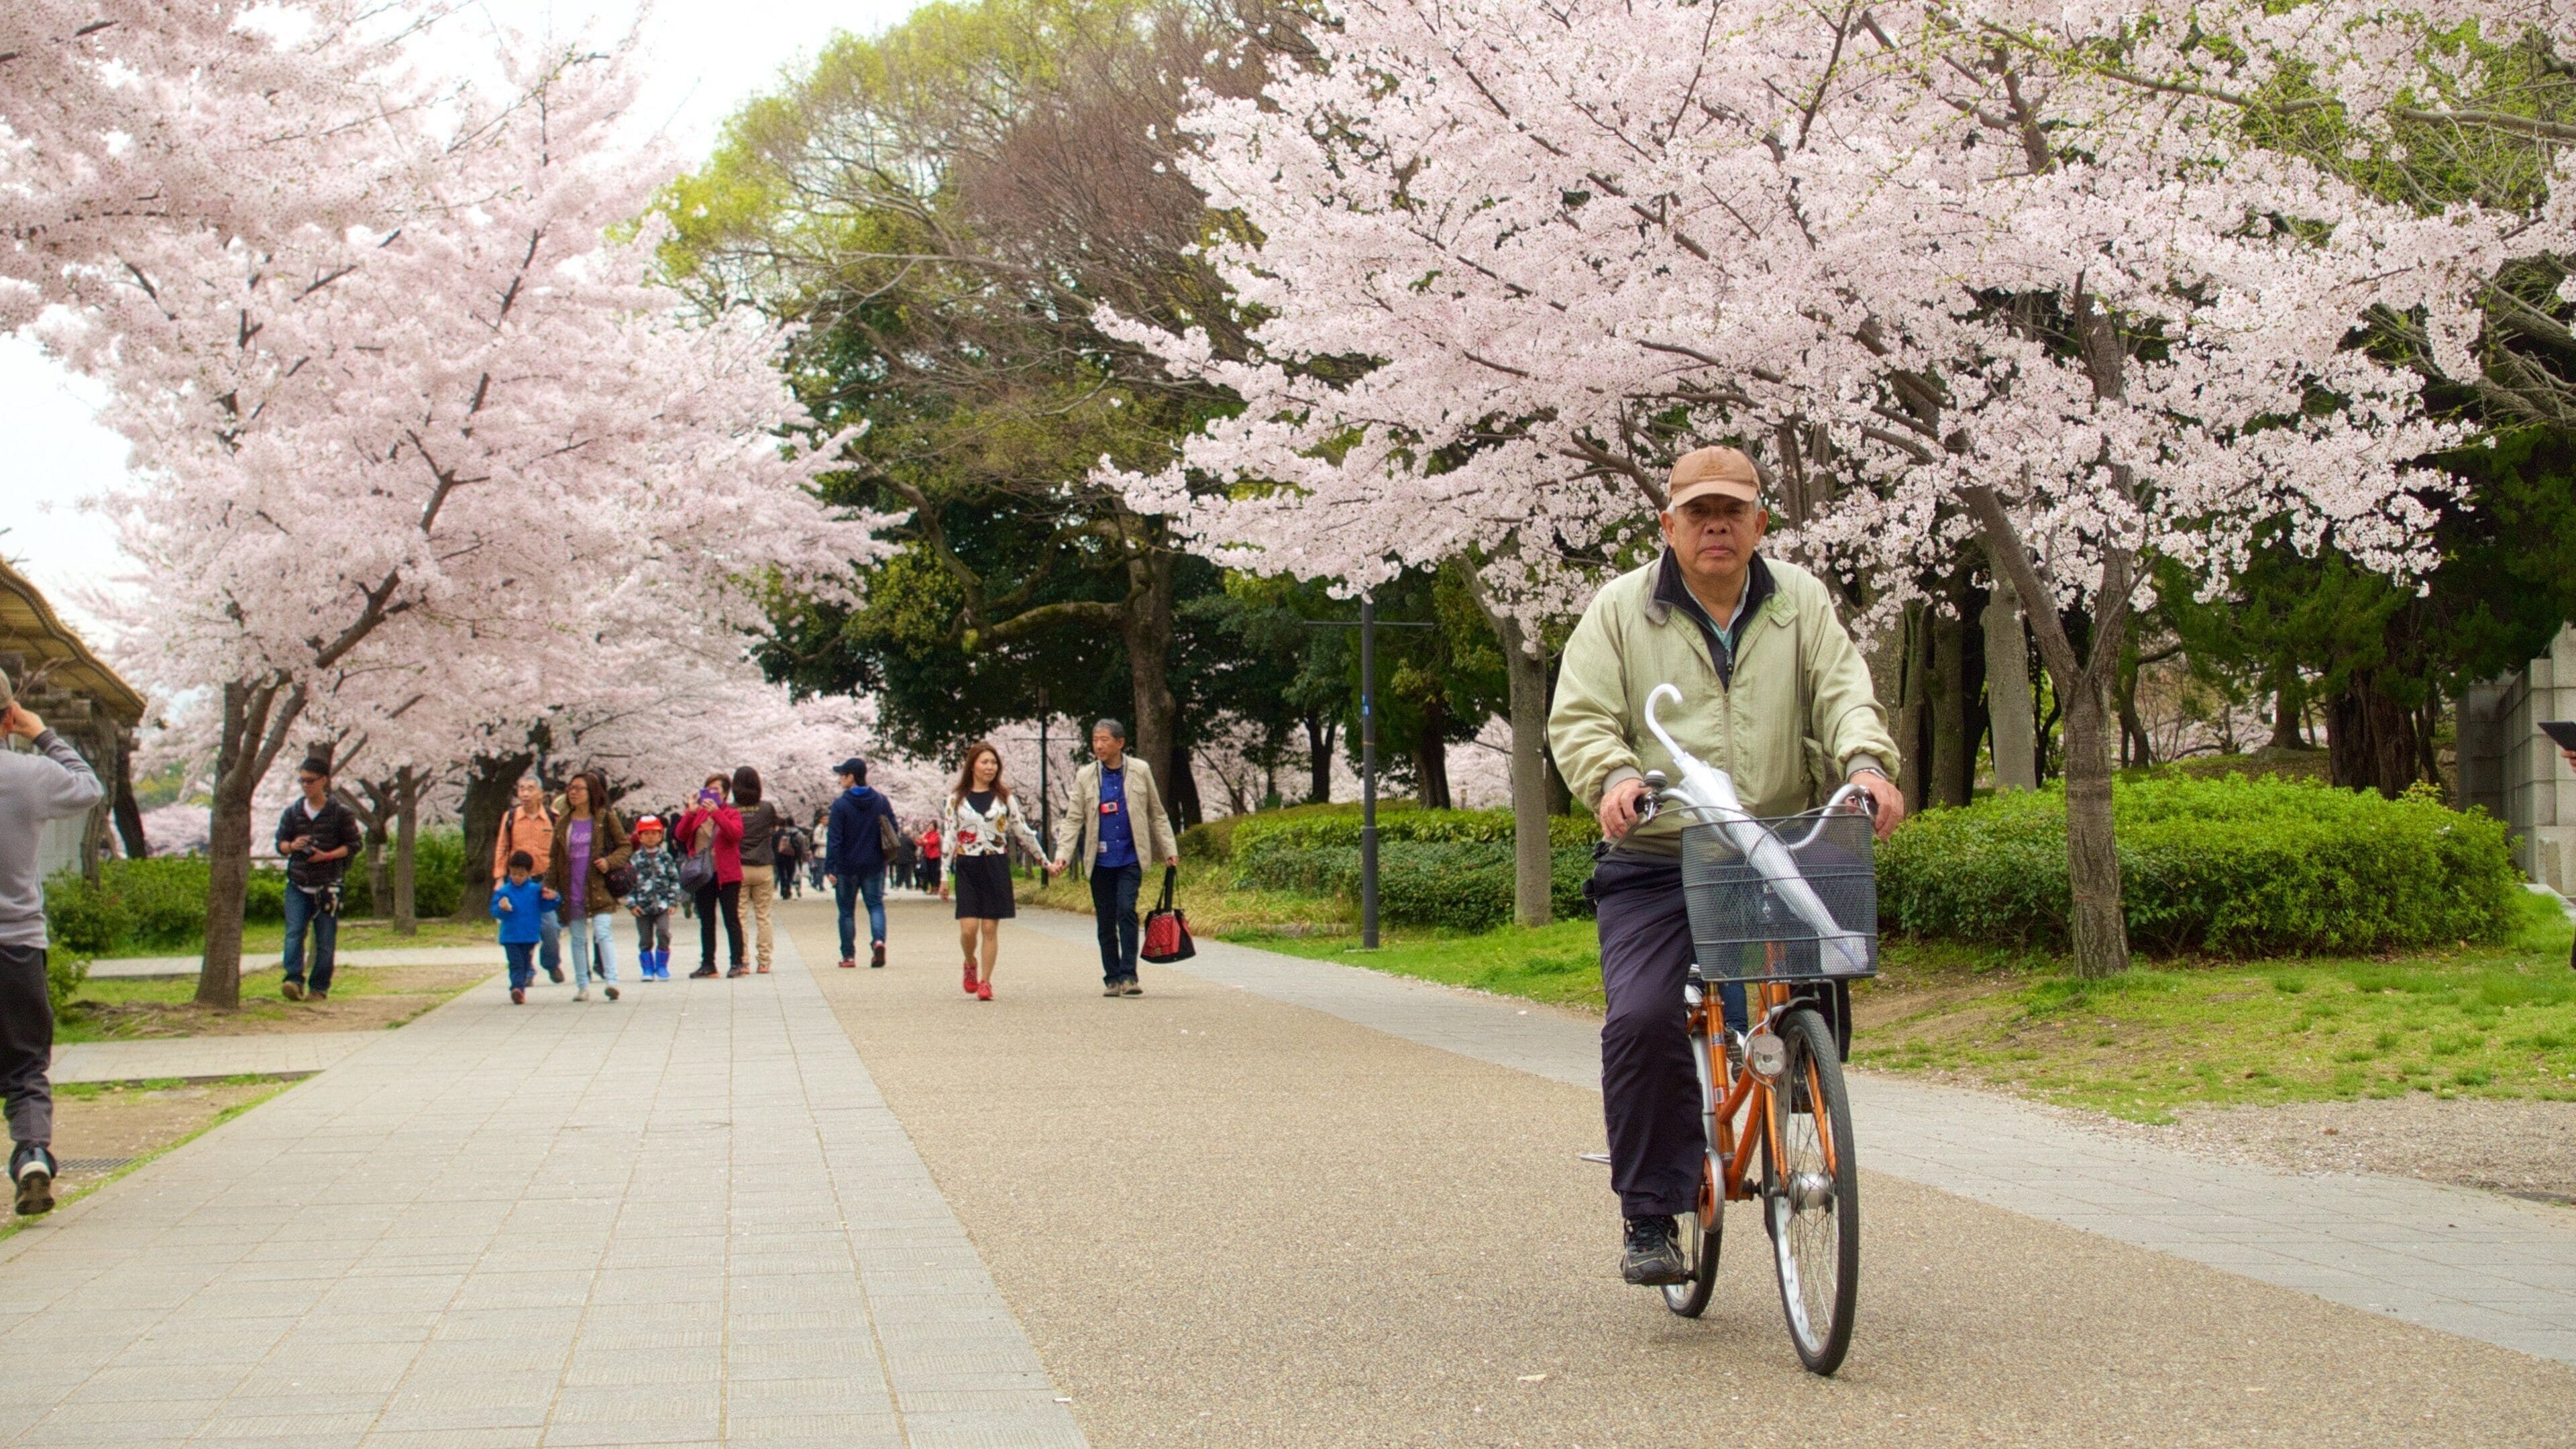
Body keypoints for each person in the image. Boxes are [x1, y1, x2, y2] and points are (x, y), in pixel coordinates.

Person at [1547, 445, 1903, 1287]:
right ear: (1667, 525)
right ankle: (1649, 1211)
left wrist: (1866, 764)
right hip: (1658, 853)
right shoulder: (1620, 611)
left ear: (1760, 525)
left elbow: (1844, 692)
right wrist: (1615, 778)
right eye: (1698, 513)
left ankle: (1796, 1105)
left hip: (1771, 851)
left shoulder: (1800, 604)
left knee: (1819, 987)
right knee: (1640, 1020)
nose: (1716, 526)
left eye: (1732, 512)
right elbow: (1583, 715)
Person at [0, 676, 105, 1216]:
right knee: (24, 1068)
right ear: (8, 717)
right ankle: (33, 1153)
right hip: (17, 945)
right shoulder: (31, 776)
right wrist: (43, 735)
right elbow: (89, 787)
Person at [1052, 718, 1179, 998]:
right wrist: (1062, 856)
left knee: (1126, 910)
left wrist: (1169, 849)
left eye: (1105, 739)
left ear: (1120, 743)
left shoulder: (1140, 770)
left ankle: (1129, 974)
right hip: (1099, 861)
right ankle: (1111, 977)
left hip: (1130, 857)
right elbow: (1073, 820)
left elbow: (1156, 813)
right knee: (1106, 919)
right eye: (1095, 739)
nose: (1099, 745)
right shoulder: (1085, 775)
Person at [941, 741, 1053, 1001]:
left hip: (995, 864)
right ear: (972, 766)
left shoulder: (1004, 798)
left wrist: (1044, 861)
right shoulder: (956, 799)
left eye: (994, 763)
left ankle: (986, 982)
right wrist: (944, 875)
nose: (990, 767)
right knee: (968, 929)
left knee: (990, 928)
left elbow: (1023, 830)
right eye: (985, 762)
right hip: (968, 865)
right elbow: (949, 836)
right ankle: (970, 962)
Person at [275, 752, 363, 1003]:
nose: (306, 785)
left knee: (325, 938)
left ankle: (319, 987)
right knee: (294, 932)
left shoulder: (340, 813)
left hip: (329, 883)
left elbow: (354, 844)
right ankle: (293, 980)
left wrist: (327, 856)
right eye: (302, 781)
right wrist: (293, 846)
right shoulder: (292, 813)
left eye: (311, 781)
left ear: (324, 780)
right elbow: (279, 845)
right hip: (298, 882)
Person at [545, 770, 629, 1002]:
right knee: (578, 937)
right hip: (572, 886)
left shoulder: (604, 819)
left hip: (598, 886)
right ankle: (582, 985)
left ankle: (612, 981)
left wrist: (609, 862)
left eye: (578, 788)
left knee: (603, 932)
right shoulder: (564, 823)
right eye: (570, 788)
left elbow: (625, 846)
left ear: (591, 792)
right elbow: (555, 858)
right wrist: (549, 886)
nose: (573, 792)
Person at [823, 757, 900, 969]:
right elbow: (893, 829)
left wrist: (830, 867)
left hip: (847, 866)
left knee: (846, 911)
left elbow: (835, 839)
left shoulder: (840, 805)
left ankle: (848, 956)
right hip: (874, 863)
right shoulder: (881, 801)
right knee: (875, 906)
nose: (840, 779)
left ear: (851, 777)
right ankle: (878, 941)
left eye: (842, 775)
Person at [492, 775, 563, 983]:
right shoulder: (511, 816)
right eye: (521, 789)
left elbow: (561, 850)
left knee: (550, 927)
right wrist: (499, 878)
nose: (525, 793)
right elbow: (502, 847)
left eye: (530, 789)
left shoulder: (553, 817)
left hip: (544, 882)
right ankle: (526, 971)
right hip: (518, 883)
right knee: (521, 926)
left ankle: (551, 963)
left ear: (541, 794)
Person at [676, 775, 745, 978]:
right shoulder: (698, 814)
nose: (711, 793)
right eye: (708, 789)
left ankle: (737, 962)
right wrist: (690, 813)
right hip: (702, 875)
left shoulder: (732, 814)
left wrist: (717, 814)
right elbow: (680, 835)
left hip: (727, 875)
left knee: (731, 919)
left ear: (725, 793)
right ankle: (708, 964)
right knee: (706, 920)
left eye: (716, 789)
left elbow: (735, 835)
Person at [733, 765, 782, 975]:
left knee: (740, 916)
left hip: (740, 867)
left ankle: (742, 961)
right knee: (763, 916)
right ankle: (764, 961)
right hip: (763, 866)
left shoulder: (731, 810)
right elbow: (774, 828)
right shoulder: (767, 808)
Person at [626, 814, 682, 981]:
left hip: (663, 905)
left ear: (660, 836)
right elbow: (629, 884)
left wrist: (673, 901)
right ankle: (648, 968)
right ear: (640, 837)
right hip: (642, 906)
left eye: (654, 833)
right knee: (645, 938)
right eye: (646, 833)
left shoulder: (666, 858)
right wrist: (631, 904)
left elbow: (674, 880)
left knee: (663, 932)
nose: (650, 837)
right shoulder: (635, 859)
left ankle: (662, 965)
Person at [490, 850, 549, 1005]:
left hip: (529, 936)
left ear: (529, 874)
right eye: (514, 874)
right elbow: (495, 910)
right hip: (511, 936)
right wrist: (502, 908)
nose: (517, 878)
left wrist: (554, 897)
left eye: (521, 874)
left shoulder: (535, 890)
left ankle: (519, 987)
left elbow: (546, 905)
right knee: (516, 963)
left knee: (525, 964)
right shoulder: (504, 891)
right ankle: (517, 989)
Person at [918, 820, 943, 896]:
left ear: (935, 827)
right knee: (929, 873)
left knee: (935, 872)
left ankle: (936, 888)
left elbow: (932, 842)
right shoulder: (927, 834)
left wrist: (925, 840)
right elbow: (921, 843)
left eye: (932, 826)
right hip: (928, 855)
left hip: (935, 856)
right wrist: (920, 839)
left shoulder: (936, 834)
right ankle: (931, 887)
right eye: (929, 825)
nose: (930, 827)